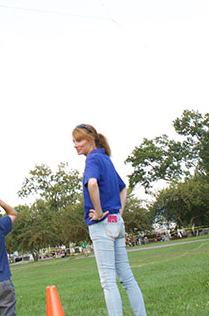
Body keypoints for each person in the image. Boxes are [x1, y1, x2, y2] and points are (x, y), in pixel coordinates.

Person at [73, 123, 145, 316]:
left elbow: (93, 183)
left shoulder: (93, 160)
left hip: (102, 225)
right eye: (73, 141)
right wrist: (118, 213)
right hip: (116, 223)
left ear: (90, 140)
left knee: (108, 282)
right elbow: (124, 188)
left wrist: (98, 212)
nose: (75, 145)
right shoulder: (106, 159)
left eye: (78, 140)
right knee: (127, 278)